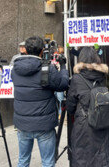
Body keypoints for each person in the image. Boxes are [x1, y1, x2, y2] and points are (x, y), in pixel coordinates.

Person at [11, 36, 69, 167]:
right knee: (48, 162)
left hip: (22, 123)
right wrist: (63, 66)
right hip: (44, 125)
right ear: (42, 51)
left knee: (23, 161)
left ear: (25, 49)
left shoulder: (15, 69)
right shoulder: (48, 68)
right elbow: (63, 84)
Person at [66, 47, 109, 167]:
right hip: (101, 120)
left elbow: (70, 105)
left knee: (83, 155)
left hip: (84, 123)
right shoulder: (102, 76)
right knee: (102, 153)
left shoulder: (77, 79)